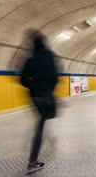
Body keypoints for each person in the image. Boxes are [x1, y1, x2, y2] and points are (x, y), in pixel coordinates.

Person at [20, 30, 58, 174]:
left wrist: (34, 86)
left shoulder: (30, 59)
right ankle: (32, 162)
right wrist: (49, 90)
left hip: (35, 97)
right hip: (46, 96)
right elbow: (55, 77)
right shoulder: (49, 56)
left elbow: (22, 80)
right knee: (41, 125)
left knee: (40, 122)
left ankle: (35, 157)